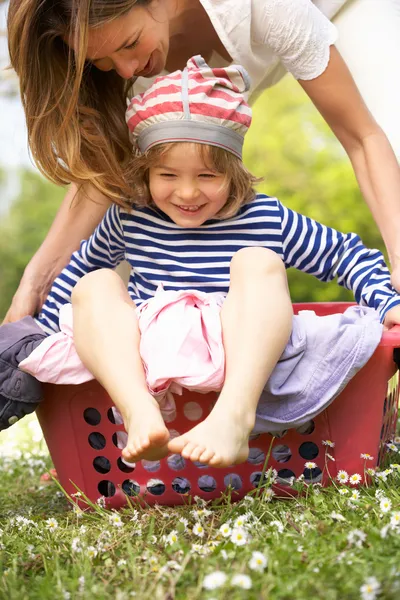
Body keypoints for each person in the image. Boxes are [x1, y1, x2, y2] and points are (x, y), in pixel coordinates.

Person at [0, 58, 398, 469]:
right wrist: (37, 336)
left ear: (233, 172)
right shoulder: (129, 217)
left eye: (207, 175)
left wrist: (388, 304)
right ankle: (139, 413)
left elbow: (346, 254)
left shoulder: (265, 218)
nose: (187, 192)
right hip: (150, 366)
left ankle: (235, 416)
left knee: (257, 261)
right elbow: (74, 277)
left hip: (240, 355)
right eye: (167, 174)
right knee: (94, 283)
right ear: (145, 171)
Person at [4, 0, 400, 324]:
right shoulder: (132, 71)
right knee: (136, 247)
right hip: (223, 87)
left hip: (338, 9)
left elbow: (363, 138)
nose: (124, 71)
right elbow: (103, 175)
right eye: (103, 61)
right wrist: (35, 284)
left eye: (129, 44)